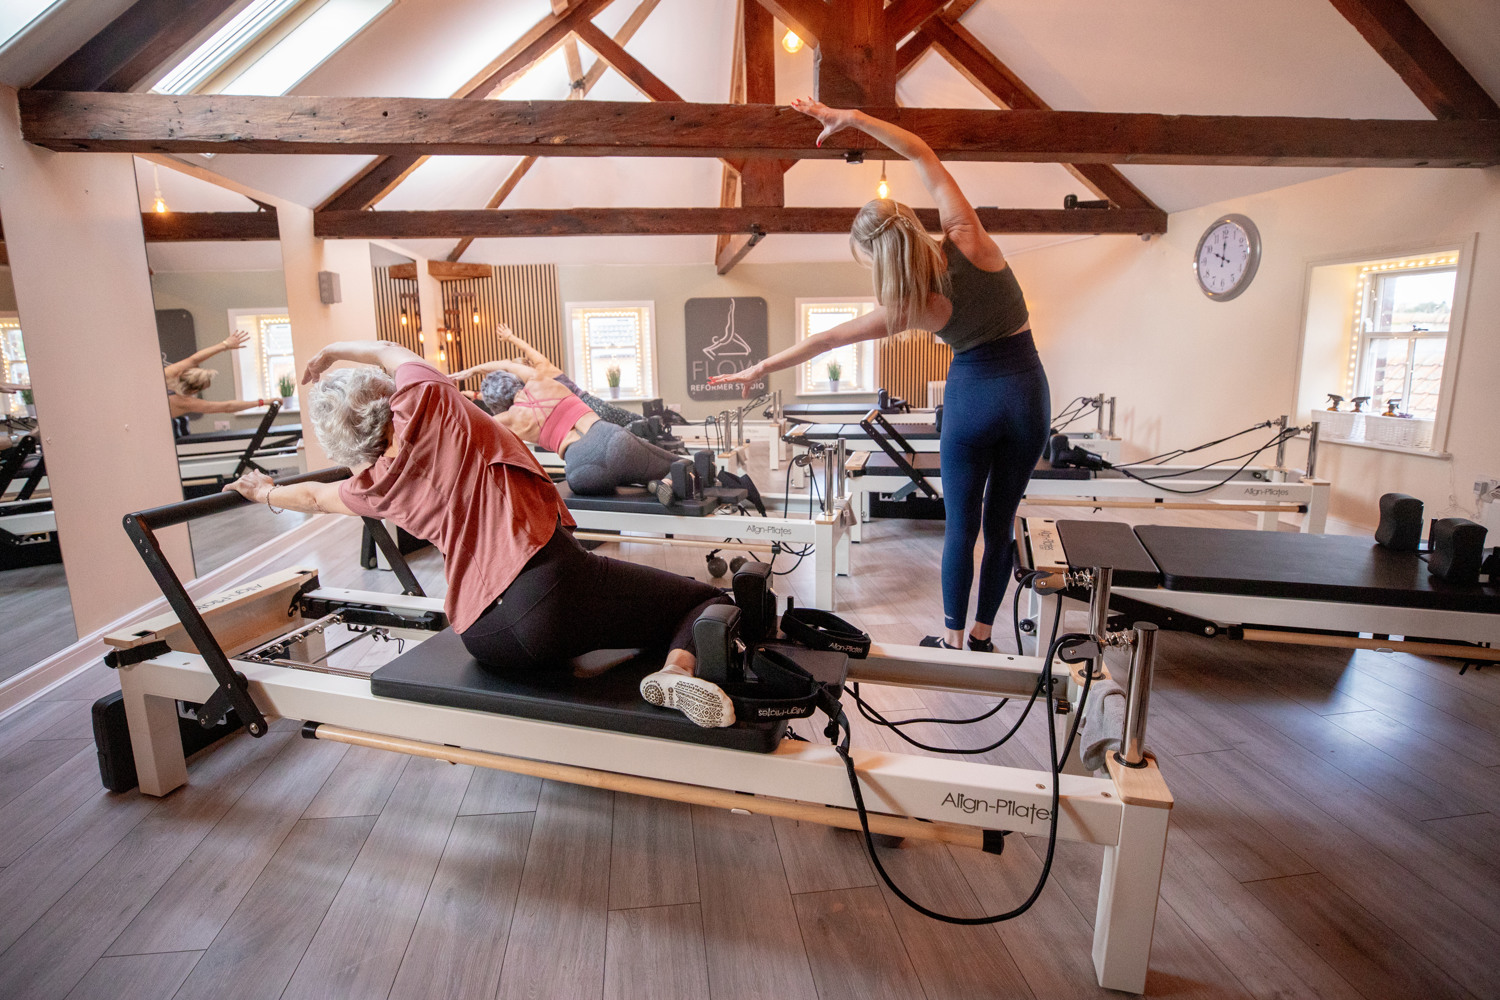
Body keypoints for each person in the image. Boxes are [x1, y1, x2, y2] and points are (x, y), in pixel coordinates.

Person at [223, 339, 738, 727]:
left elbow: (313, 496)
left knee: (598, 624)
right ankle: (675, 674)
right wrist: (332, 351)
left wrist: (264, 491)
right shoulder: (429, 402)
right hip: (551, 589)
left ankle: (608, 652)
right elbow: (385, 349)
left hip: (486, 637)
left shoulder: (372, 484)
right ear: (385, 396)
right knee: (700, 600)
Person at [711, 98, 1050, 652]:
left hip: (972, 397)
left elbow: (824, 341)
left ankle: (953, 638)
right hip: (1027, 390)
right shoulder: (967, 236)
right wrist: (853, 120)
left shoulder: (906, 306)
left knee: (960, 528)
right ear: (913, 225)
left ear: (877, 260)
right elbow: (920, 150)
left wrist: (761, 366)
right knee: (1001, 521)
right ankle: (988, 634)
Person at [451, 324, 684, 502]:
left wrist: (453, 392)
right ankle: (663, 478)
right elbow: (507, 364)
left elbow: (465, 422)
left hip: (579, 472)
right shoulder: (537, 378)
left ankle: (651, 479)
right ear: (515, 377)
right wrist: (474, 370)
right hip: (607, 438)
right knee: (679, 465)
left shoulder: (505, 420)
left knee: (622, 471)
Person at [164, 330, 273, 434]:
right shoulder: (185, 403)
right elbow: (227, 407)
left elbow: (194, 359)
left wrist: (225, 344)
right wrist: (263, 402)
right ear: (195, 390)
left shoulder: (167, 374)